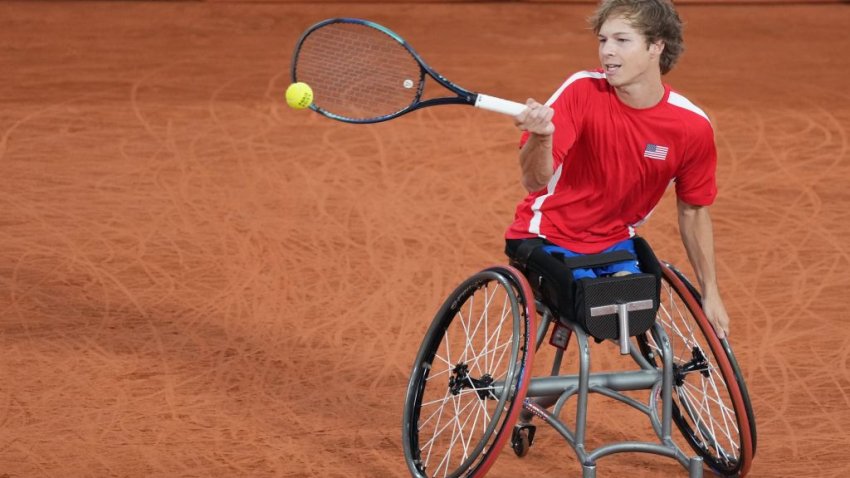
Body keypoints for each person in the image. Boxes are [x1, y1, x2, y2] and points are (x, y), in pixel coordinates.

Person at [506, 0, 730, 339]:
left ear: (656, 46)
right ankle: (545, 391)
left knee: (635, 301)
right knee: (592, 306)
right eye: (602, 40)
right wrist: (542, 136)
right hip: (546, 236)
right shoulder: (581, 91)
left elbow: (694, 210)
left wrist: (710, 292)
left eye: (621, 41)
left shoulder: (691, 126)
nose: (607, 52)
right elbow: (534, 180)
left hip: (614, 244)